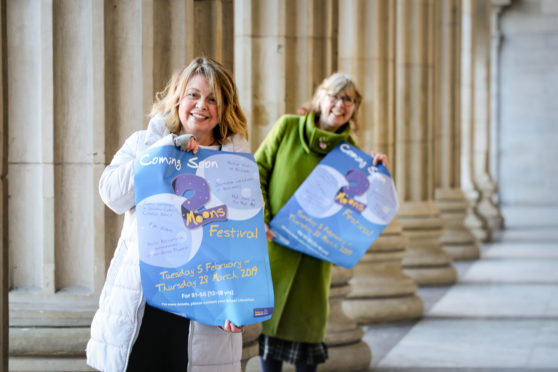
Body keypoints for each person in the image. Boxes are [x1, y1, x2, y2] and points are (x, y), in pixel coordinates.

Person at [86, 57, 250, 372]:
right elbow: (112, 196)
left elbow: (243, 240)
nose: (202, 105)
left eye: (213, 98)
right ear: (177, 98)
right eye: (194, 95)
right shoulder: (145, 144)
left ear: (224, 107)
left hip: (202, 309)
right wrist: (164, 151)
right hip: (143, 304)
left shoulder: (237, 161)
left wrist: (242, 302)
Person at [254, 72, 388, 372]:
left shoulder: (351, 154)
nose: (340, 105)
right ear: (319, 99)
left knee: (307, 338)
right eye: (335, 96)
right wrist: (260, 220)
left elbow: (361, 209)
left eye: (349, 100)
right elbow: (257, 172)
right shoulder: (287, 127)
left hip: (315, 258)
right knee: (268, 336)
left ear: (355, 109)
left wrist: (379, 173)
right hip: (274, 247)